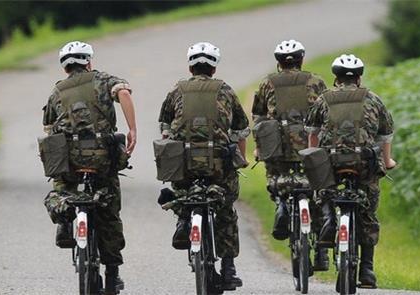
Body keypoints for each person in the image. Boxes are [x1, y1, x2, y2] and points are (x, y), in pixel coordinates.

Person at [42, 41, 137, 294]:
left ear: (65, 68)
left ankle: (64, 222)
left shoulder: (57, 91)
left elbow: (49, 130)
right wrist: (132, 129)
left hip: (70, 162)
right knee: (109, 210)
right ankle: (112, 275)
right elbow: (124, 93)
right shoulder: (104, 80)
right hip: (102, 160)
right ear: (89, 62)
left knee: (61, 186)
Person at [158, 42, 250, 291]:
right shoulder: (225, 90)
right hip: (218, 163)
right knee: (226, 208)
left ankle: (183, 221)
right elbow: (241, 129)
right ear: (213, 68)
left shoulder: (177, 89)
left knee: (183, 194)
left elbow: (164, 126)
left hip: (184, 162)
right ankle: (229, 268)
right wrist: (240, 159)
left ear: (190, 67)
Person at [305, 54, 396, 288]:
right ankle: (367, 270)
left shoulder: (324, 99)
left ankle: (327, 219)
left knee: (322, 190)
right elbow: (385, 135)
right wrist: (387, 161)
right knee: (368, 210)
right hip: (364, 163)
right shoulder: (373, 99)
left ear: (335, 78)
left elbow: (312, 132)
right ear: (359, 78)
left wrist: (315, 155)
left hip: (331, 161)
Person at [251, 40, 329, 271]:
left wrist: (258, 147)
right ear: (301, 60)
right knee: (316, 187)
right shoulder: (316, 81)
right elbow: (327, 114)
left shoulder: (268, 83)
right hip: (310, 145)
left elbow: (259, 118)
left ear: (278, 63)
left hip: (278, 147)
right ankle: (322, 251)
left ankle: (281, 206)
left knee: (277, 181)